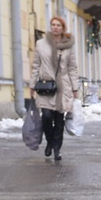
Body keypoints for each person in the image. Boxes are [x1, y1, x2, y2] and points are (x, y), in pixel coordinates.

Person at [27, 16, 79, 163]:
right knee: (47, 117)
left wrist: (75, 88)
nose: (55, 27)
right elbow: (36, 65)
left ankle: (57, 148)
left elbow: (72, 68)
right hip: (46, 86)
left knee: (59, 119)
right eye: (53, 25)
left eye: (58, 25)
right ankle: (49, 141)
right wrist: (32, 85)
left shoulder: (68, 45)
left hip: (63, 86)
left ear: (63, 28)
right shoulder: (41, 44)